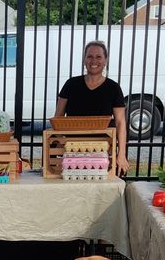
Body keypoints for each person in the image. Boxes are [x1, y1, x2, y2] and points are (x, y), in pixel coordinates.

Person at [54, 40, 130, 176]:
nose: (94, 60)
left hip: (103, 151)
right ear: (84, 60)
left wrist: (121, 155)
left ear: (105, 60)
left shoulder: (113, 88)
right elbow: (58, 117)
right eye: (89, 56)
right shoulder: (71, 84)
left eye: (98, 57)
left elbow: (120, 122)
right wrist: (60, 144)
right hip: (73, 151)